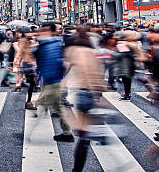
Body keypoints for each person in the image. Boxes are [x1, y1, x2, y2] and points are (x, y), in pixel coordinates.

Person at [64, 26, 106, 172]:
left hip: (80, 90)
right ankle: (97, 138)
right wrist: (99, 92)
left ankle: (77, 169)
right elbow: (98, 73)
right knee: (87, 129)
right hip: (91, 91)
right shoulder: (92, 52)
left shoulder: (73, 51)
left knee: (82, 134)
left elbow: (66, 68)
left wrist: (62, 85)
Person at [33, 22, 74, 142]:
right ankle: (67, 133)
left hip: (52, 81)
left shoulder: (49, 44)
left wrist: (46, 78)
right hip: (51, 80)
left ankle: (29, 132)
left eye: (44, 30)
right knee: (58, 107)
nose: (41, 32)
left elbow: (53, 63)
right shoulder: (51, 42)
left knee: (43, 104)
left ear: (50, 31)